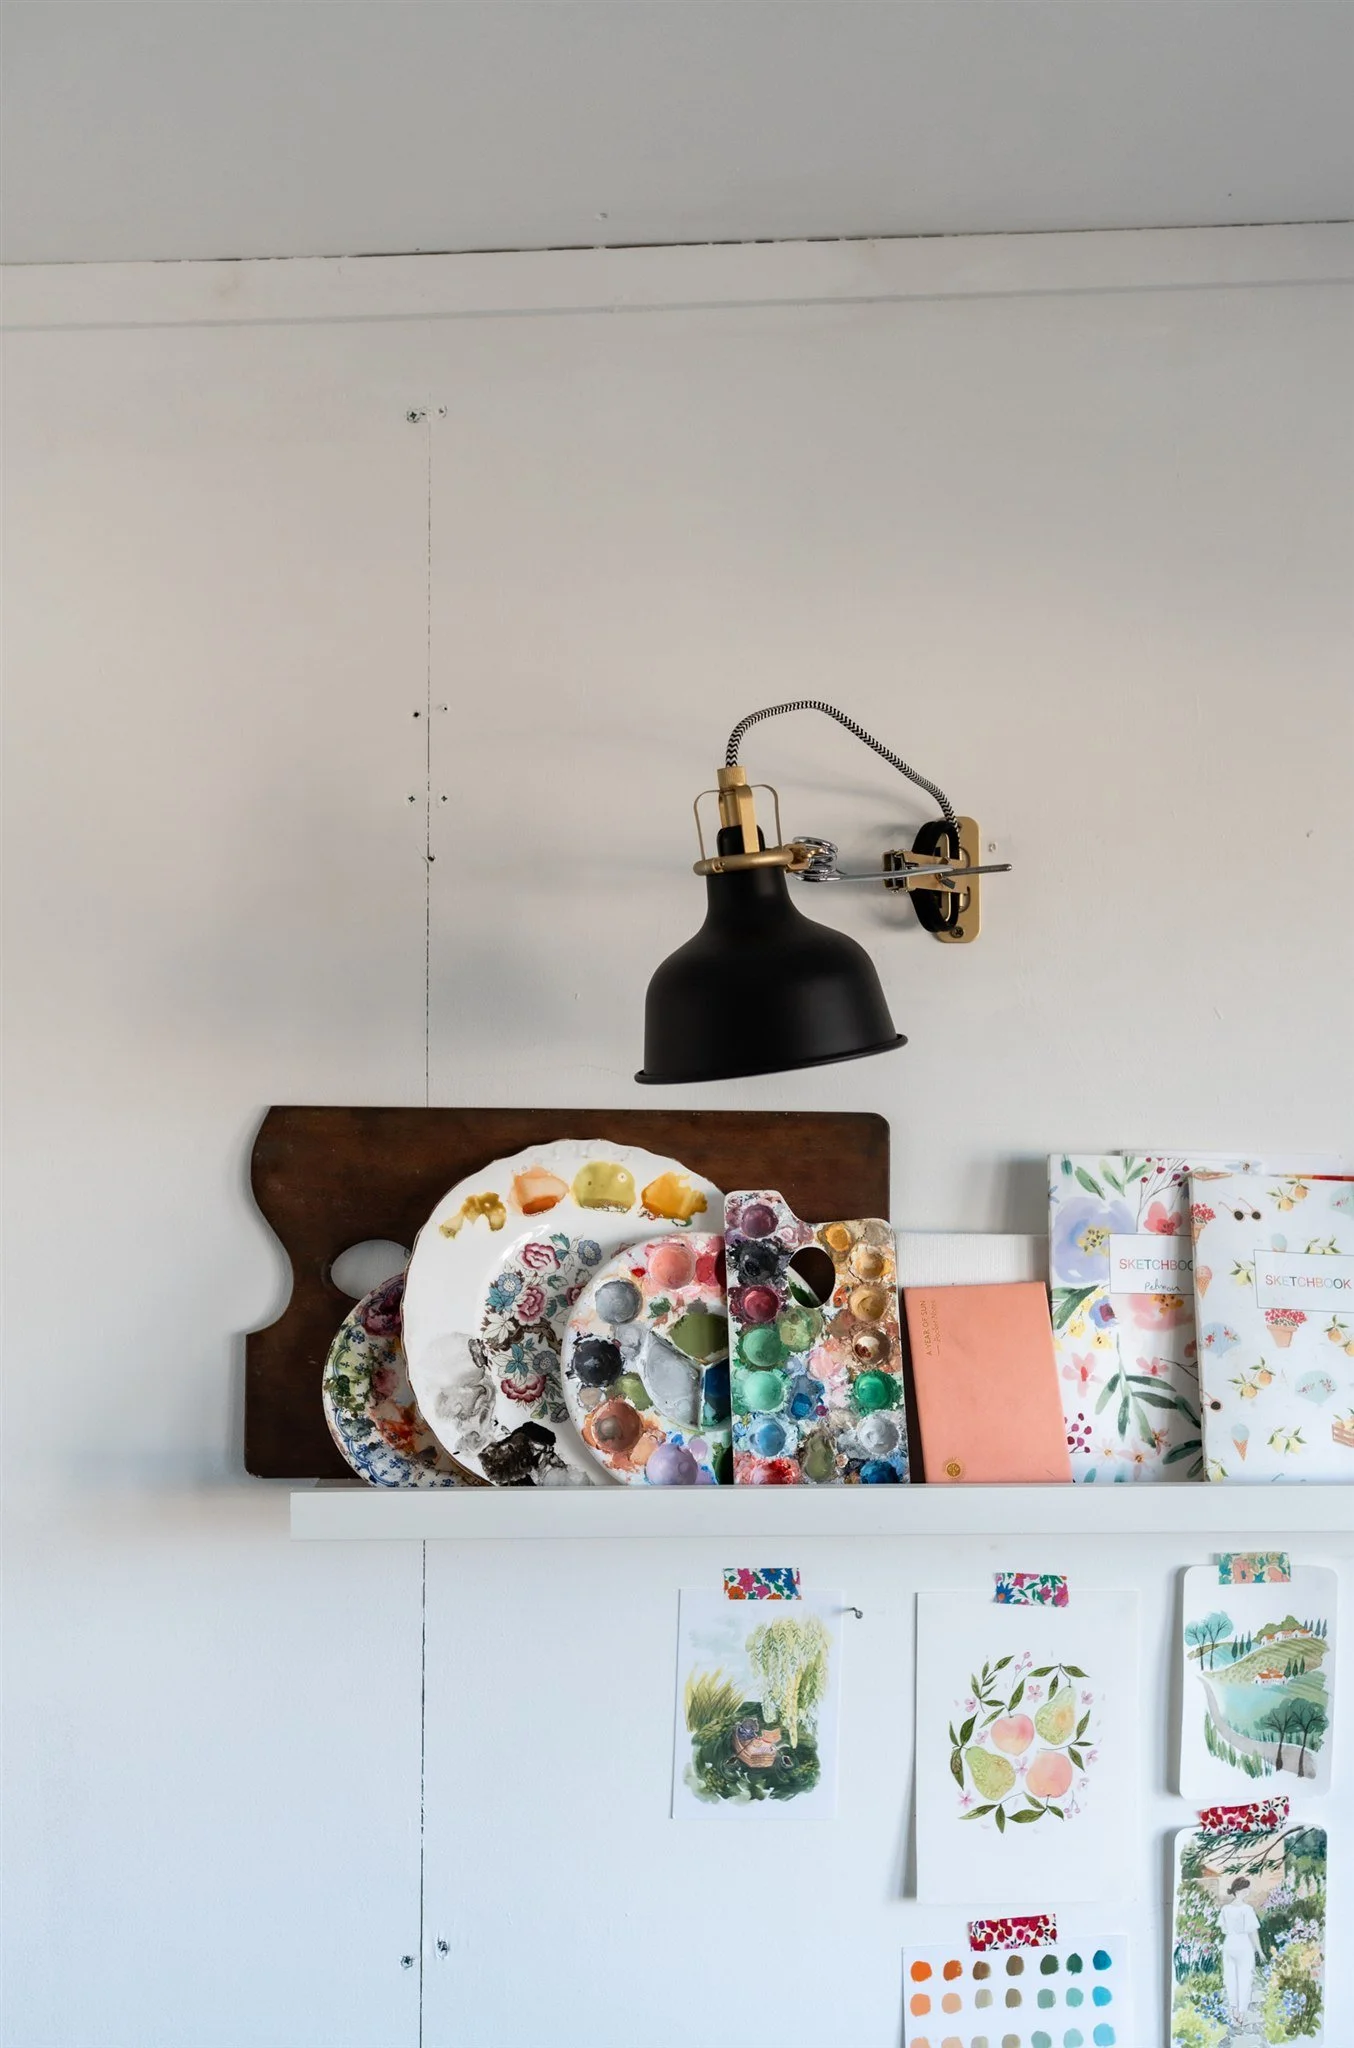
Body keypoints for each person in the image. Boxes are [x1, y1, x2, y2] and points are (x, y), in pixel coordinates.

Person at [1218, 1874, 1262, 2023]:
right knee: (1245, 1978)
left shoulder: (1225, 1909)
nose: (1247, 1892)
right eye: (1245, 1889)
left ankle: (1235, 2009)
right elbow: (1253, 1932)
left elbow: (1223, 1929)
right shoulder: (1247, 1909)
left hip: (1229, 1944)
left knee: (1230, 1978)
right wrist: (1260, 1950)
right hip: (1243, 1945)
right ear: (1238, 1891)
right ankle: (1241, 2012)